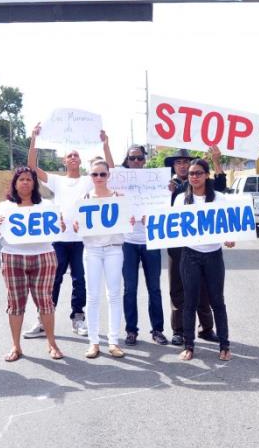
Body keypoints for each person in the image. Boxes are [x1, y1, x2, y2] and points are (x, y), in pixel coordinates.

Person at [23, 124, 114, 339]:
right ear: (64, 161)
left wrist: (105, 144)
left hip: (82, 239)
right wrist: (34, 139)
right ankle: (43, 320)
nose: (73, 158)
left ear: (80, 161)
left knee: (79, 280)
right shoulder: (57, 180)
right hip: (58, 239)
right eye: (69, 156)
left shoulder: (88, 180)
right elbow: (31, 167)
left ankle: (78, 317)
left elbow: (109, 168)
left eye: (76, 155)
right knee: (53, 280)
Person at [0, 166, 63, 362]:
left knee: (45, 301)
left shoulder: (46, 205)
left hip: (43, 256)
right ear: (15, 183)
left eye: (29, 179)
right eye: (21, 179)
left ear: (34, 183)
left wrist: (60, 225)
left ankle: (52, 343)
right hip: (13, 257)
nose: (25, 182)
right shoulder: (5, 206)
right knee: (15, 302)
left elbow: (58, 228)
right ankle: (16, 346)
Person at [165, 146, 227, 346]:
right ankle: (179, 331)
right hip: (178, 246)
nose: (183, 166)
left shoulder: (207, 187)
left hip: (205, 248)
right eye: (179, 163)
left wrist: (216, 160)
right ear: (174, 166)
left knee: (205, 291)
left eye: (186, 162)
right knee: (178, 289)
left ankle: (206, 328)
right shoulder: (167, 186)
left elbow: (221, 185)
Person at [176, 159, 235, 362]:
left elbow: (228, 225)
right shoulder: (181, 199)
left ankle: (225, 346)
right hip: (190, 255)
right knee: (189, 302)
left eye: (198, 173)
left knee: (217, 301)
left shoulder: (218, 198)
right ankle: (189, 346)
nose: (194, 176)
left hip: (213, 255)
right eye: (191, 173)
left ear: (207, 175)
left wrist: (230, 237)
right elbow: (173, 225)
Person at [75, 159, 126, 359]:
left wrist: (128, 221)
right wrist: (78, 226)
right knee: (92, 296)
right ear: (90, 176)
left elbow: (125, 223)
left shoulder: (119, 197)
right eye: (94, 174)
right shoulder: (85, 198)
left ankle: (113, 341)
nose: (98, 178)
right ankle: (94, 342)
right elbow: (78, 225)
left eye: (102, 174)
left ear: (108, 175)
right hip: (92, 250)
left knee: (114, 294)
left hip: (114, 249)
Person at [120, 145, 168, 346]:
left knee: (154, 288)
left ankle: (157, 330)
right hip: (128, 242)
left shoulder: (155, 179)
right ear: (127, 160)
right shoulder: (119, 181)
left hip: (151, 240)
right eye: (133, 159)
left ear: (145, 159)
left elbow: (165, 204)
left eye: (140, 158)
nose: (137, 162)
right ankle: (131, 330)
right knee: (130, 289)